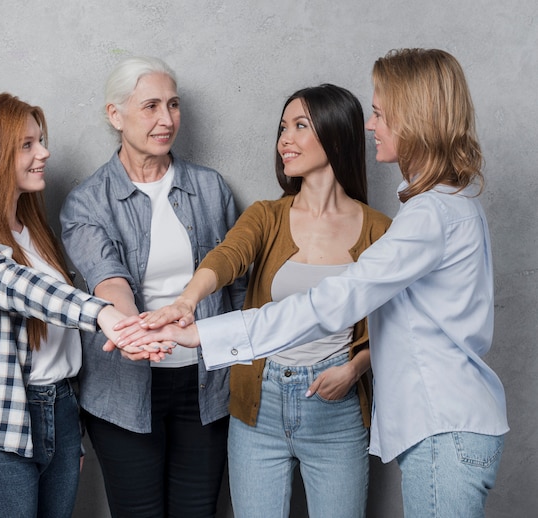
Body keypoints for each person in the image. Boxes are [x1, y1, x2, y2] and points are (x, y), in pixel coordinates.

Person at [117, 48, 509, 518]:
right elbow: (230, 256)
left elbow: (333, 302)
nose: (371, 125)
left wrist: (202, 332)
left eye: (380, 114)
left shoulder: (428, 215)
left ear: (415, 118)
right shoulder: (443, 203)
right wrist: (191, 305)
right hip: (444, 425)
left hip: (443, 430)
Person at [128, 83, 391, 518]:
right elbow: (228, 256)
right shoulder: (267, 216)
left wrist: (353, 369)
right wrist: (187, 300)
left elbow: (390, 325)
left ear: (336, 133)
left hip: (337, 411)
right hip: (260, 403)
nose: (284, 139)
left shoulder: (378, 229)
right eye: (282, 127)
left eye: (300, 126)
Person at [59, 56, 246, 518]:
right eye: (150, 106)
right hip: (123, 390)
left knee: (196, 511)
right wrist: (131, 333)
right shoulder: (86, 200)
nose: (166, 120)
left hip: (206, 384)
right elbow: (109, 279)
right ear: (115, 115)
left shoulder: (210, 188)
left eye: (173, 104)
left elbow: (238, 284)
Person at [0, 93, 130, 517]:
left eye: (39, 140)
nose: (44, 153)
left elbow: (58, 347)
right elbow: (17, 286)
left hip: (58, 411)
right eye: (27, 144)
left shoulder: (33, 231)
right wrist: (103, 313)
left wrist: (68, 431)